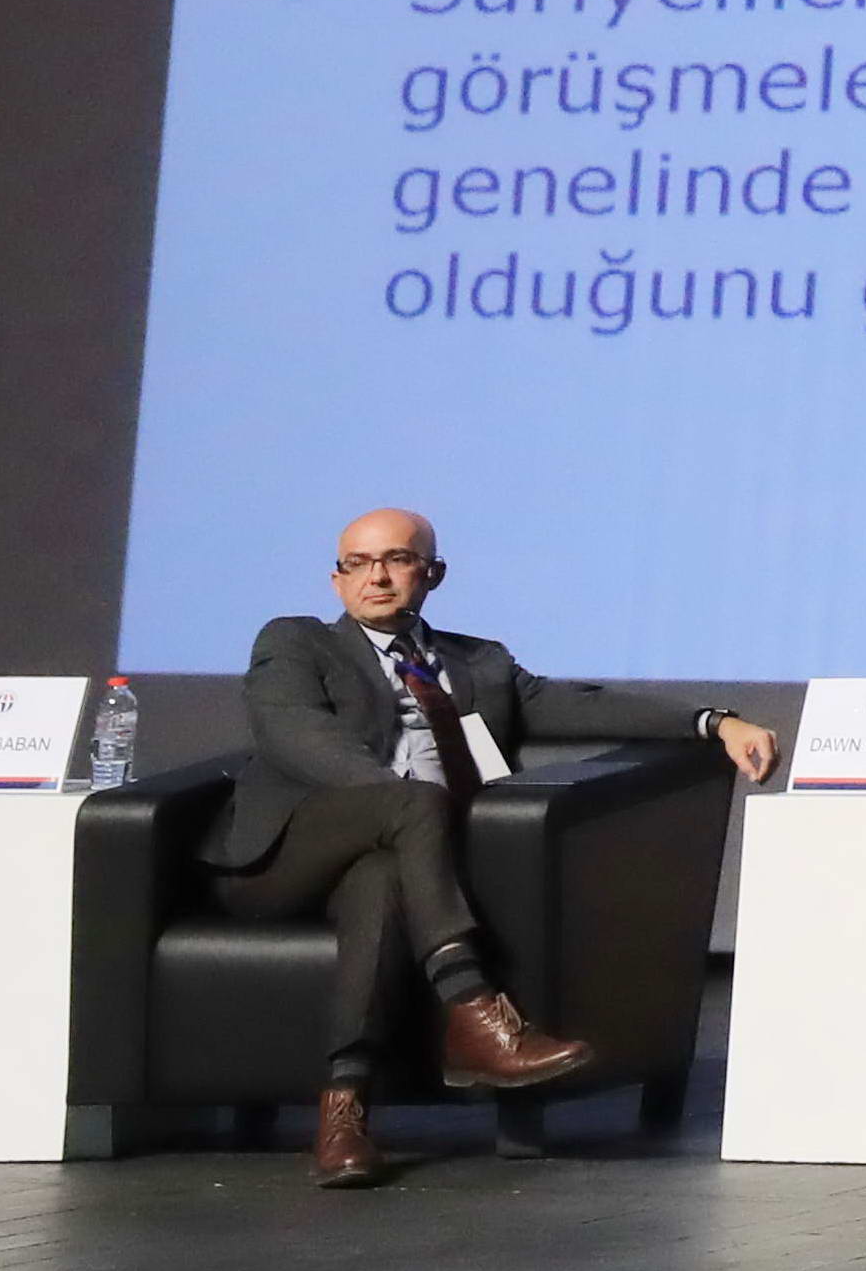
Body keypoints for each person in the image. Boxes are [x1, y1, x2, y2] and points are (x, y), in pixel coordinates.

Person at [220, 507, 778, 1190]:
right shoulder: (296, 643)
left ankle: (344, 1113)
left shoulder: (477, 662)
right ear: (336, 581)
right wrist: (400, 802)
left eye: (396, 560)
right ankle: (476, 1012)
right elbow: (299, 739)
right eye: (357, 564)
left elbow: (582, 704)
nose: (377, 577)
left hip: (401, 862)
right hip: (286, 858)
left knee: (381, 881)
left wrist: (712, 722)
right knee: (414, 803)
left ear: (433, 574)